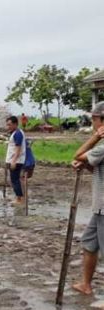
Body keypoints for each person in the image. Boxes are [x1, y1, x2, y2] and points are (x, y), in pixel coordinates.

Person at [71, 101, 104, 295]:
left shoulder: (102, 146)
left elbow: (78, 154)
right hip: (99, 206)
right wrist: (84, 165)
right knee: (89, 242)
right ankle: (86, 284)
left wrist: (95, 137)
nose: (92, 122)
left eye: (94, 119)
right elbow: (96, 168)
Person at [5, 116, 27, 205]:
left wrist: (13, 161)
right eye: (7, 125)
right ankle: (19, 197)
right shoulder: (16, 133)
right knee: (14, 179)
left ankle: (19, 199)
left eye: (9, 125)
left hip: (16, 161)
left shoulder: (18, 134)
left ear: (15, 124)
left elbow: (18, 149)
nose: (8, 127)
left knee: (15, 180)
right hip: (15, 160)